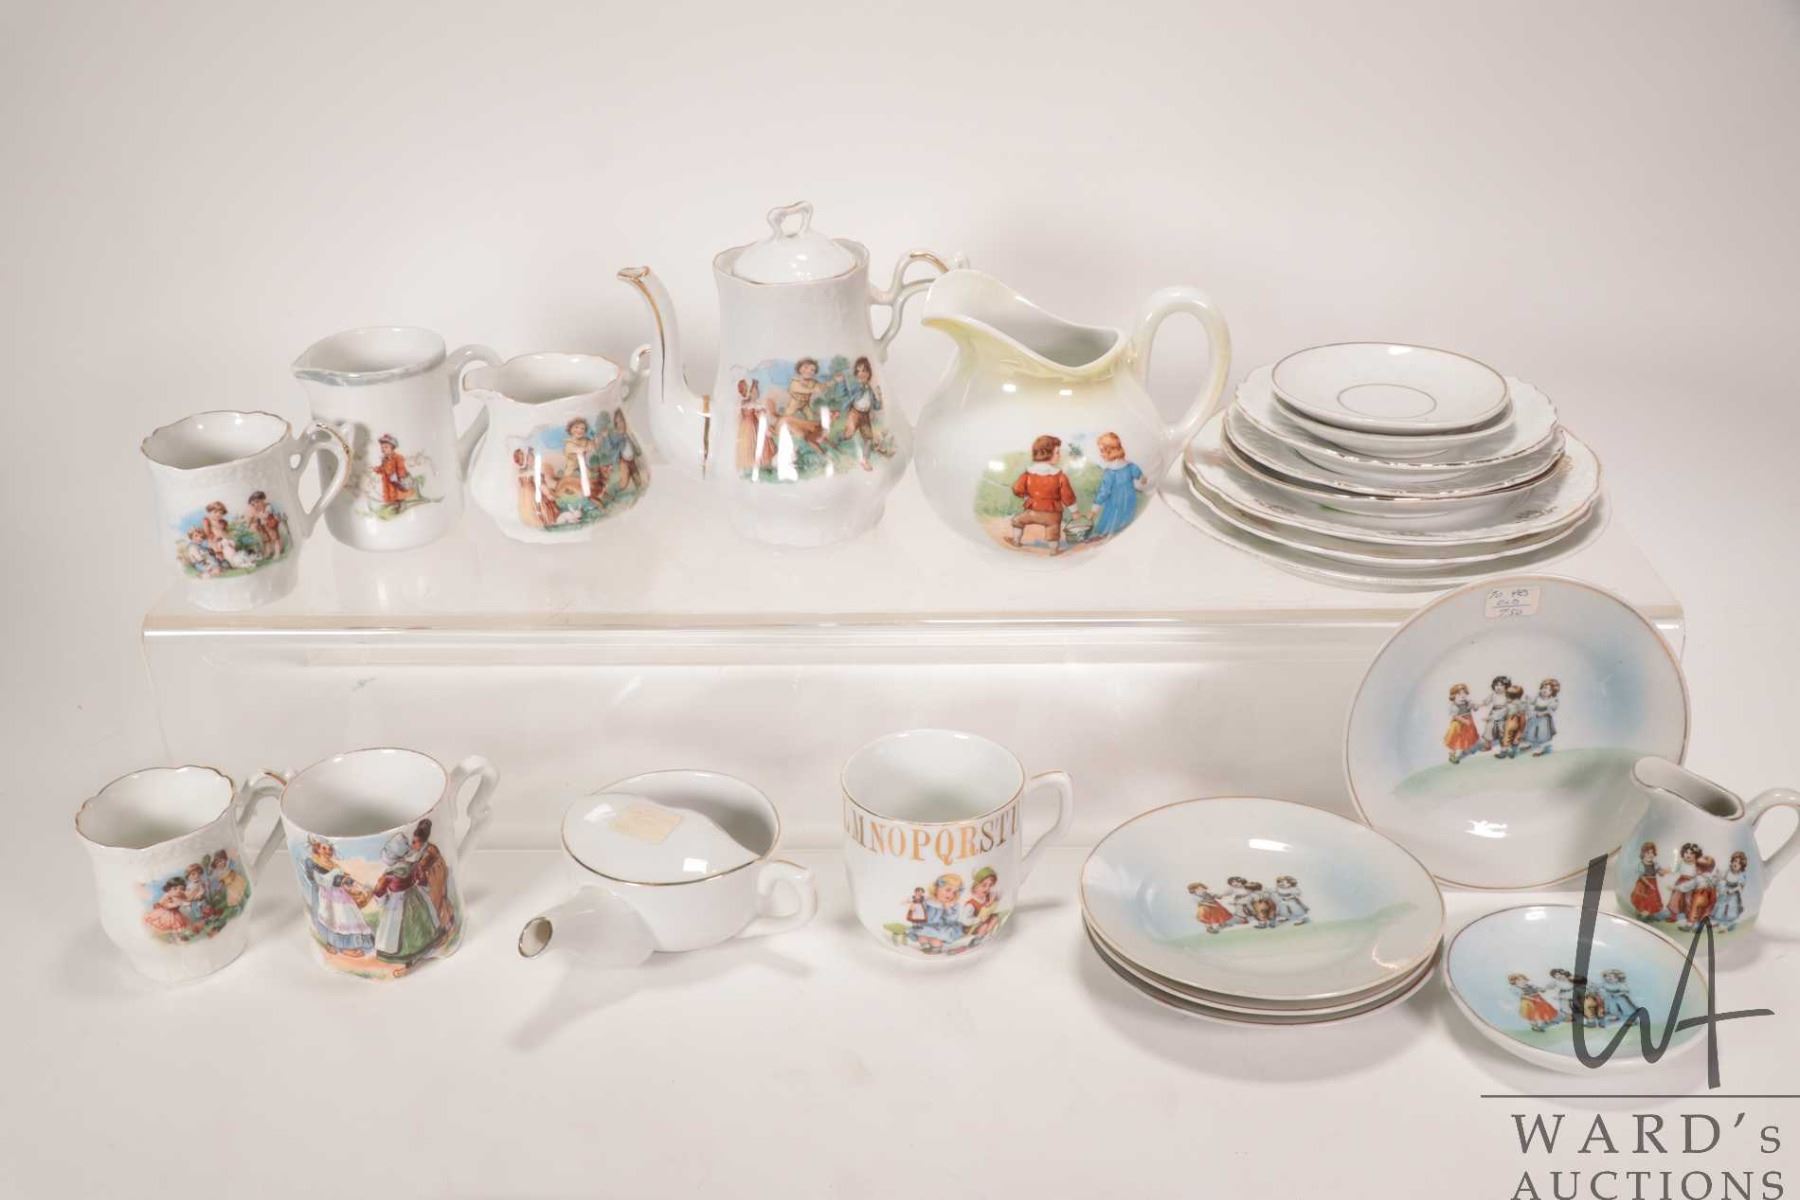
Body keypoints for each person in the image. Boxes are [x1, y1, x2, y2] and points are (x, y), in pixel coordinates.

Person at [370, 830, 445, 965]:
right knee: (418, 923)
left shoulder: (389, 874)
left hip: (396, 902)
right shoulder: (412, 866)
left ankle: (406, 954)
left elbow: (380, 891)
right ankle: (423, 947)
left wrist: (381, 900)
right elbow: (422, 880)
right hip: (414, 897)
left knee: (397, 927)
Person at [299, 838, 374, 957]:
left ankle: (348, 946)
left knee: (347, 918)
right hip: (325, 896)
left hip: (340, 896)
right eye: (324, 848)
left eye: (330, 849)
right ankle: (336, 945)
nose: (328, 851)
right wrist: (339, 879)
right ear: (317, 849)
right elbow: (321, 881)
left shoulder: (334, 864)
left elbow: (343, 878)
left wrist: (352, 883)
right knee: (332, 919)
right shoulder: (314, 863)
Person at [1008, 435, 1077, 554]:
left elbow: (1017, 489)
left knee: (1017, 520)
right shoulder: (1060, 476)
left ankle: (1016, 541)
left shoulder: (1028, 474)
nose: (1059, 456)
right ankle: (1053, 550)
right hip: (1053, 514)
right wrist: (1075, 512)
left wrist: (1026, 496)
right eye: (1057, 453)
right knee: (1053, 528)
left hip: (1033, 512)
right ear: (1046, 453)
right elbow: (1068, 496)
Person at [1086, 432, 1148, 540]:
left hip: (1115, 503)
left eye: (1102, 451)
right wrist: (1142, 480)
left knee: (1112, 519)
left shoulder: (1110, 472)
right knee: (1125, 519)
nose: (1100, 454)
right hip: (1129, 500)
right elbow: (1142, 477)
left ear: (1110, 451)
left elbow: (1104, 492)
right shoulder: (1129, 466)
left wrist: (1094, 510)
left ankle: (1109, 534)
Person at [835, 357, 885, 470]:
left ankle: (865, 460)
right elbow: (844, 394)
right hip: (855, 413)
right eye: (858, 371)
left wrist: (880, 397)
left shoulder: (870, 389)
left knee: (868, 438)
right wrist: (841, 382)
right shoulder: (856, 387)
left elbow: (876, 406)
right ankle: (838, 438)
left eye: (864, 371)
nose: (861, 374)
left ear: (869, 373)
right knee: (849, 434)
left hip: (865, 415)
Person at [780, 359, 830, 454]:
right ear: (799, 369)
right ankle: (786, 438)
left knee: (811, 419)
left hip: (805, 404)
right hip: (795, 403)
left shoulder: (813, 382)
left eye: (812, 370)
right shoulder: (795, 382)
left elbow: (821, 387)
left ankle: (813, 437)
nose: (809, 371)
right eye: (806, 368)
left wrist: (833, 381)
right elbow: (803, 390)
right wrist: (814, 390)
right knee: (786, 418)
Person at [907, 874, 967, 953]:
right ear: (936, 888)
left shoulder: (952, 905)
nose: (950, 895)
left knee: (936, 939)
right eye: (948, 890)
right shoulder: (929, 901)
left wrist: (947, 909)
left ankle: (936, 947)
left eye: (954, 892)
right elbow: (920, 912)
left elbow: (951, 920)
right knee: (922, 936)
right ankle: (925, 946)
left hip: (942, 927)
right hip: (927, 925)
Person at [373, 433, 418, 508]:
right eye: (382, 447)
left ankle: (401, 505)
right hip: (388, 482)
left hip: (397, 482)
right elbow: (383, 468)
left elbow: (401, 468)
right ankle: (394, 505)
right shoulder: (385, 459)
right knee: (391, 496)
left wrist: (400, 476)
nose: (383, 449)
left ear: (392, 448)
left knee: (399, 495)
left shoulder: (398, 457)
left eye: (386, 447)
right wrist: (377, 469)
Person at [1663, 842, 1704, 924]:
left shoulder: (1697, 865)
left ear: (1696, 855)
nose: (1688, 855)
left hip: (1691, 884)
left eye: (1691, 853)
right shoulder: (1681, 863)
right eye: (1686, 852)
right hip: (1680, 882)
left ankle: (1690, 916)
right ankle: (1673, 916)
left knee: (1689, 900)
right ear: (1683, 853)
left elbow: (1700, 875)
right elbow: (1674, 869)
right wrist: (1667, 871)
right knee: (1675, 898)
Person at [1628, 841, 1667, 918]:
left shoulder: (1655, 864)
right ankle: (1641, 912)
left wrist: (1664, 871)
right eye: (1648, 853)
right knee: (1641, 897)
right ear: (1643, 853)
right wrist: (1649, 884)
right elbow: (1642, 876)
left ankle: (1648, 914)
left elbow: (1660, 873)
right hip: (1643, 884)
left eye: (1652, 852)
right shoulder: (1641, 864)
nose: (1650, 855)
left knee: (1652, 899)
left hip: (1653, 882)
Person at [963, 867, 1003, 941]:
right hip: (973, 925)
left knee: (995, 918)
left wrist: (992, 900)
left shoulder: (987, 896)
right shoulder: (971, 904)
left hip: (985, 921)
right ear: (975, 887)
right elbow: (965, 920)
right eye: (984, 885)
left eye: (990, 885)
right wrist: (979, 919)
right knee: (984, 926)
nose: (987, 888)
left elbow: (1000, 893)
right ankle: (977, 939)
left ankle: (988, 935)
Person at [1445, 683, 1480, 764]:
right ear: (1453, 696)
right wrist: (1464, 720)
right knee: (1456, 740)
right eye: (1459, 694)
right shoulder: (1454, 705)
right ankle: (1452, 755)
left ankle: (1466, 749)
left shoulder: (1467, 702)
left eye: (1464, 693)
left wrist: (1474, 706)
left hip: (1468, 723)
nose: (1462, 696)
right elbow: (1455, 716)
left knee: (1468, 736)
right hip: (1458, 725)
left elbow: (1475, 709)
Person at [1525, 678, 1561, 756]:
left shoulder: (1552, 700)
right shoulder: (1538, 696)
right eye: (1544, 688)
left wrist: (1543, 713)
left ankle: (1540, 748)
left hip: (1544, 720)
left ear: (1553, 692)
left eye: (1549, 690)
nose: (1545, 690)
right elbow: (1532, 702)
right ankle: (1530, 743)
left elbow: (1551, 710)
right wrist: (1528, 700)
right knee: (1531, 730)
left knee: (1542, 733)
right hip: (1535, 717)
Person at [245, 490, 285, 559]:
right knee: (267, 540)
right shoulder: (258, 509)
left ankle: (277, 552)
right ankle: (269, 552)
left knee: (275, 538)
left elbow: (266, 515)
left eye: (257, 502)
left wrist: (258, 515)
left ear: (263, 500)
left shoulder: (268, 506)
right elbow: (256, 518)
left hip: (270, 524)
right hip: (264, 526)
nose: (256, 505)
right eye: (254, 504)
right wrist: (254, 518)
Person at [1716, 851, 1749, 929]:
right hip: (1725, 892)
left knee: (1730, 909)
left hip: (1733, 895)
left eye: (1739, 863)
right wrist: (1719, 876)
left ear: (1741, 866)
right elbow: (1723, 878)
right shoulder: (1728, 871)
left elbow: (1740, 887)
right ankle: (1720, 922)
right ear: (1732, 861)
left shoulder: (1741, 875)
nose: (1736, 864)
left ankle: (1728, 924)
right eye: (1735, 861)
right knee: (1721, 906)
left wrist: (1732, 890)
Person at [1478, 676, 1512, 751]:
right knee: (1489, 729)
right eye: (1496, 685)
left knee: (1502, 730)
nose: (1498, 687)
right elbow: (1485, 702)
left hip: (1503, 714)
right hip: (1493, 713)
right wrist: (1478, 705)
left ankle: (1504, 745)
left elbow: (1510, 704)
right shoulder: (1493, 695)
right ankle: (1487, 745)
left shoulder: (1507, 695)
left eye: (1501, 685)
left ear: (1506, 686)